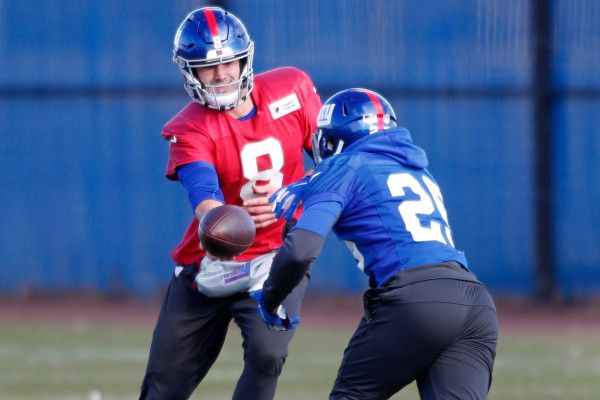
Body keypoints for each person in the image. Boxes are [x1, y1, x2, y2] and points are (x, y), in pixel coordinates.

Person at [252, 88, 499, 399]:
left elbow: (300, 248)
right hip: (475, 302)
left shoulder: (343, 165)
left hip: (416, 299)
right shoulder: (419, 171)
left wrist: (270, 298)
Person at [139, 7, 321, 400]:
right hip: (211, 261)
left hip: (275, 255)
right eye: (207, 67)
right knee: (162, 389)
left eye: (227, 62)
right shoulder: (189, 127)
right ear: (190, 72)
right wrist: (223, 218)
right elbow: (203, 196)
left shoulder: (292, 90)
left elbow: (334, 165)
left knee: (268, 353)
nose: (220, 75)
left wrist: (294, 194)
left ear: (244, 59)